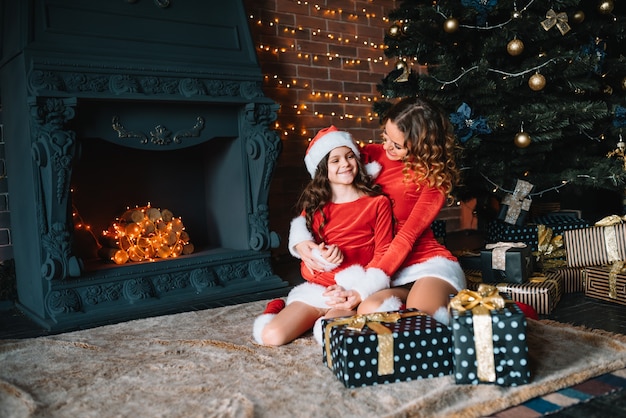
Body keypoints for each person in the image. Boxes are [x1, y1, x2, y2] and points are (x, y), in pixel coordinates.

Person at [290, 97, 466, 325]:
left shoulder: (434, 179)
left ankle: (452, 305)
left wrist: (364, 288)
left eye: (397, 145)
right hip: (384, 270)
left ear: (422, 144)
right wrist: (301, 240)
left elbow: (406, 237)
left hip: (425, 264)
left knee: (424, 321)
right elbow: (326, 188)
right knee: (370, 311)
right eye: (385, 137)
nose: (386, 147)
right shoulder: (369, 154)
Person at [253, 126, 394, 346]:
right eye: (335, 160)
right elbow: (307, 256)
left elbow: (385, 254)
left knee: (330, 336)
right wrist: (321, 256)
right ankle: (278, 307)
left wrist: (358, 290)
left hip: (351, 291)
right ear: (322, 169)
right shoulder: (316, 207)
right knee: (271, 336)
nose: (345, 164)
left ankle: (329, 317)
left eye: (349, 156)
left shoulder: (377, 203)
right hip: (318, 289)